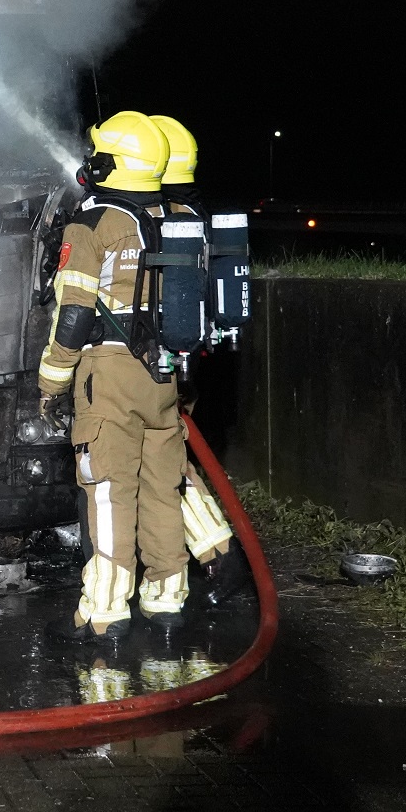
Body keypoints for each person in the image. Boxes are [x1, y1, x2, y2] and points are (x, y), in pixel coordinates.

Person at [36, 111, 187, 643]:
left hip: (110, 373)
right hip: (165, 375)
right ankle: (167, 600)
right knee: (163, 488)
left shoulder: (93, 222)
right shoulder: (180, 215)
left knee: (108, 489)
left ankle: (105, 610)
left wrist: (52, 382)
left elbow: (73, 313)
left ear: (111, 161)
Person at [148, 114, 236, 600]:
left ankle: (217, 558)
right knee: (171, 460)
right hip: (186, 360)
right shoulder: (191, 218)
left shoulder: (160, 220)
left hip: (160, 363)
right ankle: (213, 553)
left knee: (168, 467)